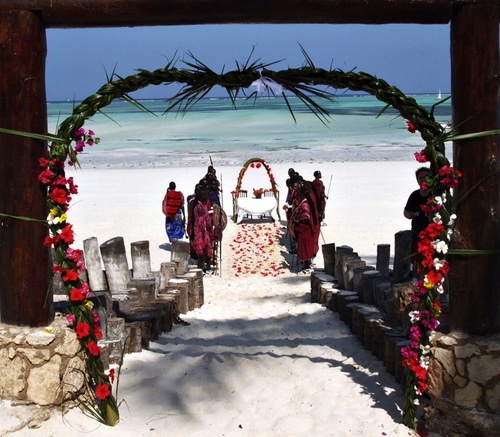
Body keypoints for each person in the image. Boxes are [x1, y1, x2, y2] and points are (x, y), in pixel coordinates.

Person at [404, 167, 431, 272]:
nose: (424, 179)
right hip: (417, 234)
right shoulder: (415, 195)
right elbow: (406, 211)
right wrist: (410, 215)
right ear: (417, 180)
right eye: (421, 177)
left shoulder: (435, 195)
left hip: (433, 237)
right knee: (417, 265)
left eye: (427, 176)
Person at [291, 183, 320, 274]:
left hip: (305, 230)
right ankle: (306, 264)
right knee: (306, 248)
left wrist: (297, 221)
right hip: (307, 229)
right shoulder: (305, 202)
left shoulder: (305, 205)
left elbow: (305, 218)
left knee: (306, 248)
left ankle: (306, 267)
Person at [187, 183, 213, 273]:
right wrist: (210, 227)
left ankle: (204, 269)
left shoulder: (195, 203)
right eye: (206, 194)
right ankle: (201, 270)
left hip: (196, 232)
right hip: (199, 233)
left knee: (203, 251)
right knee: (202, 253)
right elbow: (201, 223)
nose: (207, 197)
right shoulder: (200, 207)